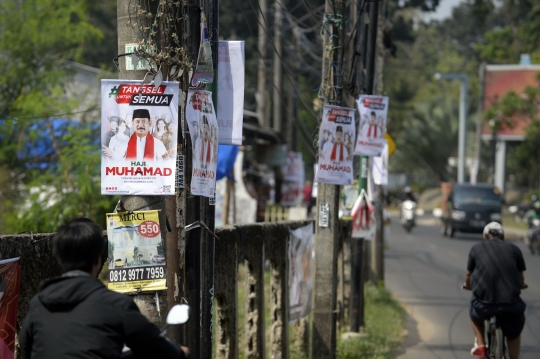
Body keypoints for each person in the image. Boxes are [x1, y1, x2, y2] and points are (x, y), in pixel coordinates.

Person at [19, 218, 189, 359]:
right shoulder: (115, 305)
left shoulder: (39, 305)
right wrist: (178, 350)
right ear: (97, 260)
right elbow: (155, 347)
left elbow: (25, 350)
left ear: (60, 260)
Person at [463, 222, 527, 359]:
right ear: (503, 238)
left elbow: (469, 274)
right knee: (514, 333)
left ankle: (481, 346)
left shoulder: (476, 248)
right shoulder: (514, 249)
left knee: (474, 313)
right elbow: (521, 278)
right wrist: (521, 285)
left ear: (484, 237)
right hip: (510, 306)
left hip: (483, 305)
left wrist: (468, 285)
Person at [102, 109, 172, 161]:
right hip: (131, 179)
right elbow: (117, 157)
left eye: (144, 122)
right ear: (133, 124)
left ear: (149, 123)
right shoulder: (126, 142)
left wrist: (165, 158)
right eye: (137, 122)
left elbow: (163, 162)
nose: (140, 125)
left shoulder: (157, 143)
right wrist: (111, 154)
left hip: (149, 179)